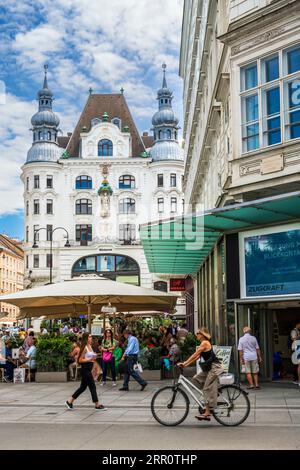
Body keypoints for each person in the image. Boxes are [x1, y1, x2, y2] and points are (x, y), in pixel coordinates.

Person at [178, 327, 223, 421]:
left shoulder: (205, 342)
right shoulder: (203, 343)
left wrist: (184, 362)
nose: (196, 335)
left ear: (202, 334)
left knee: (206, 388)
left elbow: (195, 354)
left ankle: (207, 412)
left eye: (198, 333)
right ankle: (212, 393)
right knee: (196, 378)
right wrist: (185, 364)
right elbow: (196, 357)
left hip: (215, 367)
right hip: (209, 368)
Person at [66, 333, 107, 410]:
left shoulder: (89, 346)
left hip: (88, 369)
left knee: (83, 387)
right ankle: (97, 404)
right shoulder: (84, 347)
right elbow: (80, 360)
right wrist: (90, 359)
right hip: (85, 369)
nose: (91, 338)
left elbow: (89, 357)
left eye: (91, 337)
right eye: (89, 337)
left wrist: (94, 356)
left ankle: (69, 401)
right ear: (86, 338)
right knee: (92, 386)